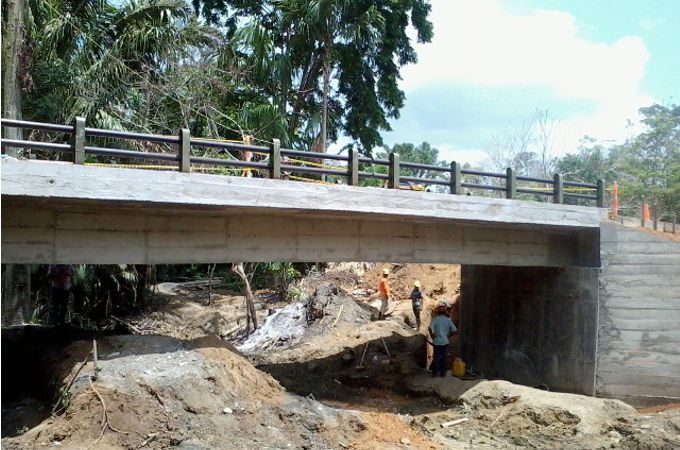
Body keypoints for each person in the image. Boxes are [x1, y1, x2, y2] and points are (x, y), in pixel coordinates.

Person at [428, 301, 457, 377]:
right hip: (445, 341)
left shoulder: (435, 319)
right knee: (444, 357)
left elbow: (430, 328)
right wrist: (448, 336)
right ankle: (443, 373)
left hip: (437, 341)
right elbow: (454, 330)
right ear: (445, 312)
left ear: (437, 312)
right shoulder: (448, 320)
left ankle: (435, 373)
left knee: (436, 357)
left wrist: (432, 336)